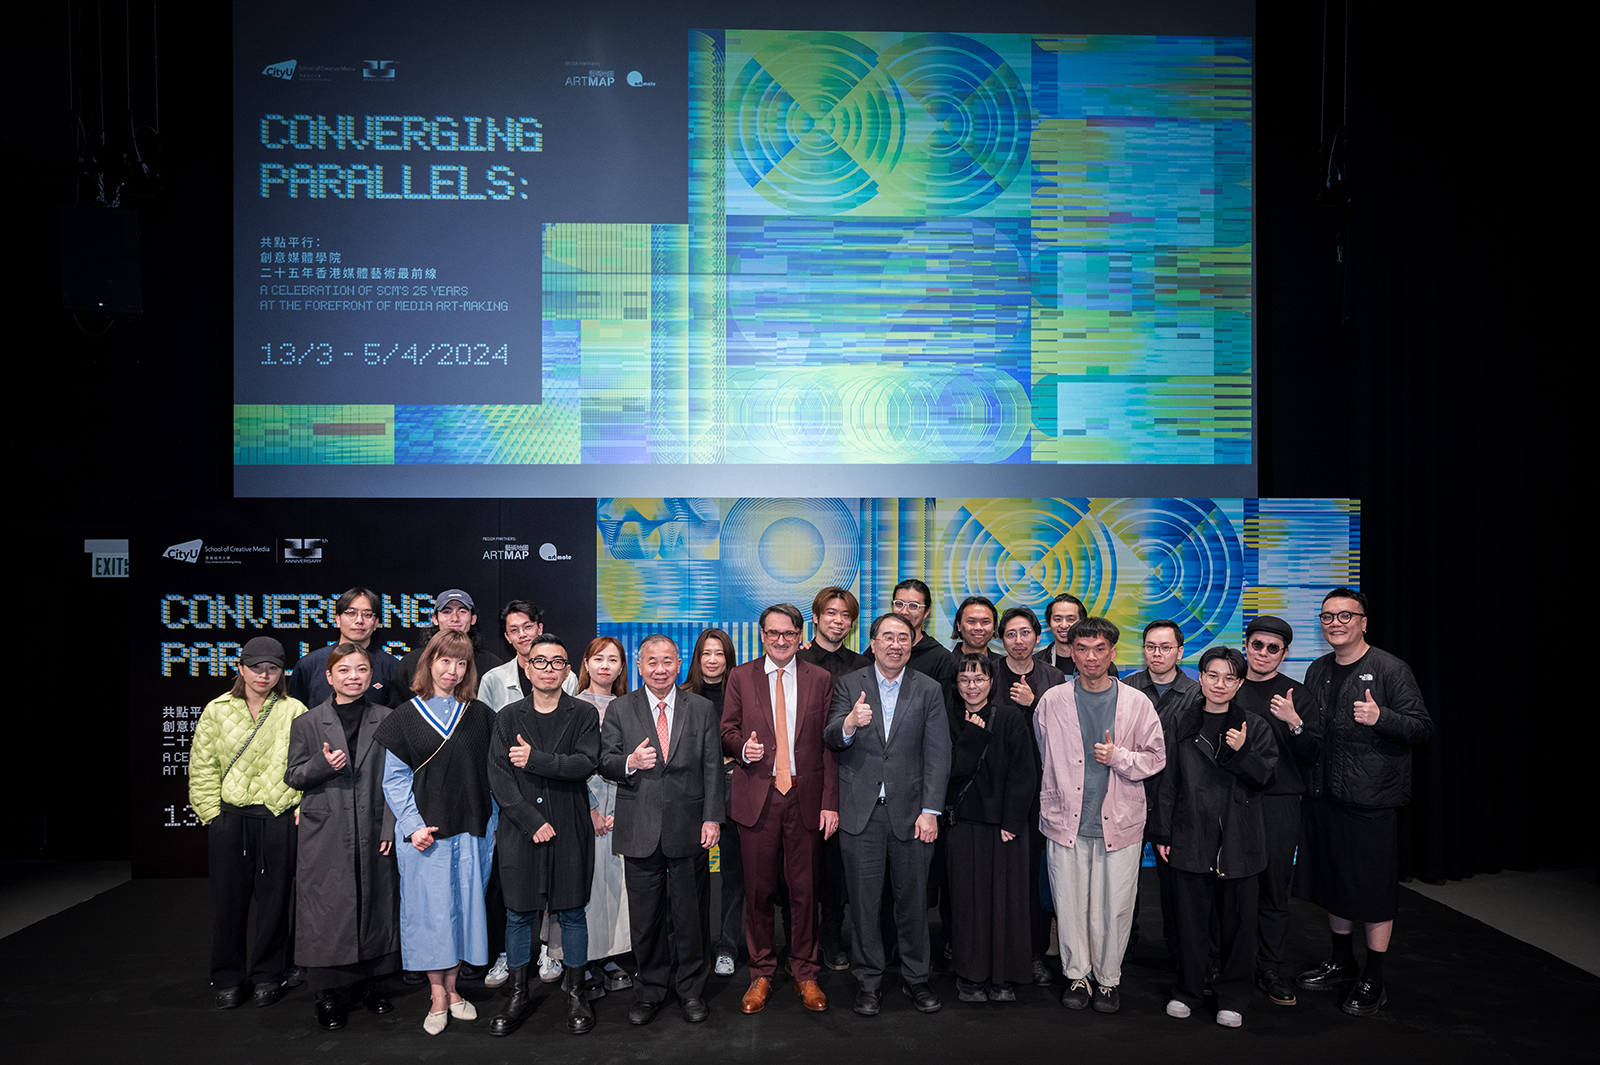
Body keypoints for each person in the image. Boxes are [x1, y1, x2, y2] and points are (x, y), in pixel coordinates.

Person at [1294, 588, 1432, 1016]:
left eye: (1345, 615)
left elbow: (1421, 727)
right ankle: (1342, 962)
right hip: (1324, 796)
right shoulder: (1318, 669)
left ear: (1363, 622)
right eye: (1327, 616)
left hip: (1371, 800)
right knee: (1334, 882)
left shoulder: (1390, 669)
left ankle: (1374, 976)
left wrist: (1381, 717)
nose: (1335, 623)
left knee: (1372, 892)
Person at [825, 612, 952, 1017]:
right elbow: (830, 736)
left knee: (912, 902)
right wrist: (849, 723)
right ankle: (868, 981)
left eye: (903, 638)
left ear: (912, 644)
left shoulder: (928, 688)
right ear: (873, 642)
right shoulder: (849, 684)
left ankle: (917, 978)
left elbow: (938, 753)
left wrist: (930, 811)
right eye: (888, 637)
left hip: (912, 815)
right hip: (860, 815)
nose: (896, 644)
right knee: (863, 905)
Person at [1034, 617, 1164, 1015]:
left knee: (1115, 906)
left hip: (1120, 822)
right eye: (1082, 649)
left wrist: (1118, 758)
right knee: (1069, 904)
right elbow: (1044, 752)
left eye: (1099, 649)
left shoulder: (1137, 702)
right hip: (1065, 820)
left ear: (1113, 652)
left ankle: (1108, 979)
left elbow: (1156, 758)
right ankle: (1077, 975)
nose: (1091, 657)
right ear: (1071, 653)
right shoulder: (1052, 700)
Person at [375, 631, 498, 1035]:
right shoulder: (405, 717)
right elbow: (394, 781)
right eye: (445, 661)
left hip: (473, 832)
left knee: (464, 910)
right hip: (426, 836)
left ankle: (455, 987)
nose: (453, 670)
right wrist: (412, 827)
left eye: (462, 663)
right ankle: (437, 994)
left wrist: (492, 827)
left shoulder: (480, 716)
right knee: (430, 914)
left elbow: (493, 776)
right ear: (429, 663)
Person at [598, 635, 725, 1026]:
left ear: (679, 664)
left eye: (667, 661)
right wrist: (631, 762)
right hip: (639, 827)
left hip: (689, 825)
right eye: (651, 661)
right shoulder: (620, 708)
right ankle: (650, 991)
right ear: (639, 666)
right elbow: (605, 761)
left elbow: (712, 767)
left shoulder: (700, 708)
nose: (660, 669)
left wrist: (712, 817)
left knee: (691, 915)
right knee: (646, 917)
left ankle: (691, 990)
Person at [1150, 647, 1279, 1028]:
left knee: (1239, 925)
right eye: (1212, 675)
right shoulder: (1181, 721)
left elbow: (1266, 778)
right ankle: (1188, 990)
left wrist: (1242, 752)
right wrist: (1162, 830)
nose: (1219, 684)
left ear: (1239, 684)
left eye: (1229, 678)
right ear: (1201, 677)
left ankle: (1234, 997)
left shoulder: (1254, 725)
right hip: (1190, 833)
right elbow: (1167, 781)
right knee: (1190, 922)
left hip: (1239, 839)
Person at [722, 604, 840, 1014]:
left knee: (805, 891)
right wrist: (742, 748)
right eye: (773, 633)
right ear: (761, 635)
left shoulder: (820, 678)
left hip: (805, 798)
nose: (781, 640)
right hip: (758, 795)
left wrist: (830, 803)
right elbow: (726, 730)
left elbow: (829, 745)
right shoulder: (740, 676)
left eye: (788, 633)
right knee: (758, 891)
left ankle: (806, 972)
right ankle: (761, 972)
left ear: (799, 635)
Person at [487, 634, 601, 1036]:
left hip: (570, 826)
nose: (548, 669)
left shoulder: (583, 713)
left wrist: (535, 760)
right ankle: (518, 994)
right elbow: (499, 777)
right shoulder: (507, 716)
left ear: (568, 670)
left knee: (572, 912)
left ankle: (576, 993)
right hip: (521, 832)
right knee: (518, 914)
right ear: (527, 666)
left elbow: (585, 764)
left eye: (557, 662)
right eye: (540, 661)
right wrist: (530, 820)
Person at [283, 642, 398, 1030]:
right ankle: (326, 994)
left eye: (361, 670)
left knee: (374, 901)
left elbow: (397, 779)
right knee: (327, 908)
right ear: (329, 677)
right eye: (344, 670)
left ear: (372, 676)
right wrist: (322, 764)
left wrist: (390, 825)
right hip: (326, 829)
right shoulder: (307, 722)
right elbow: (294, 776)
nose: (354, 677)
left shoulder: (387, 719)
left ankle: (370, 984)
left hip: (374, 825)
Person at [189, 637, 309, 1009]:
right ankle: (227, 977)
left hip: (277, 817)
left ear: (282, 672)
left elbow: (306, 764)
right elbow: (202, 766)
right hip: (231, 818)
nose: (264, 675)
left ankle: (268, 975)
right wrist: (212, 813)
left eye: (272, 668)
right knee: (228, 903)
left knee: (275, 902)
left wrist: (299, 805)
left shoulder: (294, 709)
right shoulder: (217, 710)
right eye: (256, 667)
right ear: (240, 668)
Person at [478, 600, 575, 987]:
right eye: (514, 629)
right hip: (511, 802)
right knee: (511, 889)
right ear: (506, 637)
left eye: (528, 626)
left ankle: (550, 950)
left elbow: (576, 751)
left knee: (558, 885)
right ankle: (508, 955)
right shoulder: (494, 680)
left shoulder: (566, 676)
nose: (522, 634)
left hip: (559, 796)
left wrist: (539, 761)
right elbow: (492, 754)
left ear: (539, 627)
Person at [1233, 616, 1321, 1006]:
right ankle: (1226, 963)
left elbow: (1312, 754)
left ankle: (1269, 967)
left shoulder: (1297, 695)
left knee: (1273, 889)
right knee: (1230, 888)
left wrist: (1294, 722)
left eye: (1273, 648)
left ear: (1284, 654)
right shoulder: (1228, 686)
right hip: (1233, 801)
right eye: (1258, 645)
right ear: (1246, 646)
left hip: (1280, 803)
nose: (1264, 653)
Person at [944, 654, 1036, 1003]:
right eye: (965, 680)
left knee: (1007, 903)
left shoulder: (1010, 717)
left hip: (1004, 828)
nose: (972, 686)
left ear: (991, 682)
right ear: (956, 684)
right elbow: (950, 773)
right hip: (964, 826)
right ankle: (971, 977)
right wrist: (972, 736)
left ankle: (1003, 976)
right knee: (969, 906)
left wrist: (1013, 821)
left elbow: (1024, 773)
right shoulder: (949, 719)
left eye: (979, 679)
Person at [990, 605, 1065, 985]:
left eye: (1025, 633)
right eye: (1010, 634)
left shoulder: (1054, 677)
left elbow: (1066, 732)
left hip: (1043, 789)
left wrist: (1033, 703)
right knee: (999, 874)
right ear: (1000, 639)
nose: (1018, 641)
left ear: (1038, 636)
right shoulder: (989, 672)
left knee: (1036, 875)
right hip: (996, 789)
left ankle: (1034, 952)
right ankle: (997, 951)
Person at [1123, 619, 1201, 966]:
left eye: (1165, 647)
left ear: (1180, 652)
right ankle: (1123, 945)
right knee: (1124, 881)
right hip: (1129, 794)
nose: (1157, 653)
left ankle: (1178, 950)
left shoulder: (1197, 694)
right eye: (1151, 647)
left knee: (1176, 885)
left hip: (1176, 800)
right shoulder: (1126, 688)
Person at [797, 585, 867, 971]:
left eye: (845, 616)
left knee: (839, 865)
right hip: (804, 773)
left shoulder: (862, 664)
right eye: (831, 613)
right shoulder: (797, 659)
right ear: (816, 617)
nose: (838, 621)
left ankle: (832, 936)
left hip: (850, 771)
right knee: (803, 863)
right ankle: (801, 942)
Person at [684, 629, 743, 979]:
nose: (712, 660)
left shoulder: (742, 695)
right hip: (692, 793)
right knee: (692, 877)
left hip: (736, 788)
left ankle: (728, 947)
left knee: (734, 875)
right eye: (706, 653)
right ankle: (693, 948)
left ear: (728, 658)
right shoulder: (682, 695)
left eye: (719, 653)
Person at [288, 587, 403, 708]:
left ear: (376, 623)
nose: (359, 620)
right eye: (351, 613)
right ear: (338, 619)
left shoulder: (391, 666)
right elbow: (296, 710)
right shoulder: (309, 664)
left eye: (367, 614)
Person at [390, 590, 504, 706]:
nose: (455, 618)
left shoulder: (492, 666)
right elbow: (397, 710)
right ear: (435, 619)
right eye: (447, 611)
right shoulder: (411, 662)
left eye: (462, 611)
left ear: (473, 619)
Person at [1035, 593, 1088, 674]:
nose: (1064, 625)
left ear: (1082, 623)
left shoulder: (1097, 662)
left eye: (1070, 619)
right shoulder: (1036, 663)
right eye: (1057, 619)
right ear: (1049, 623)